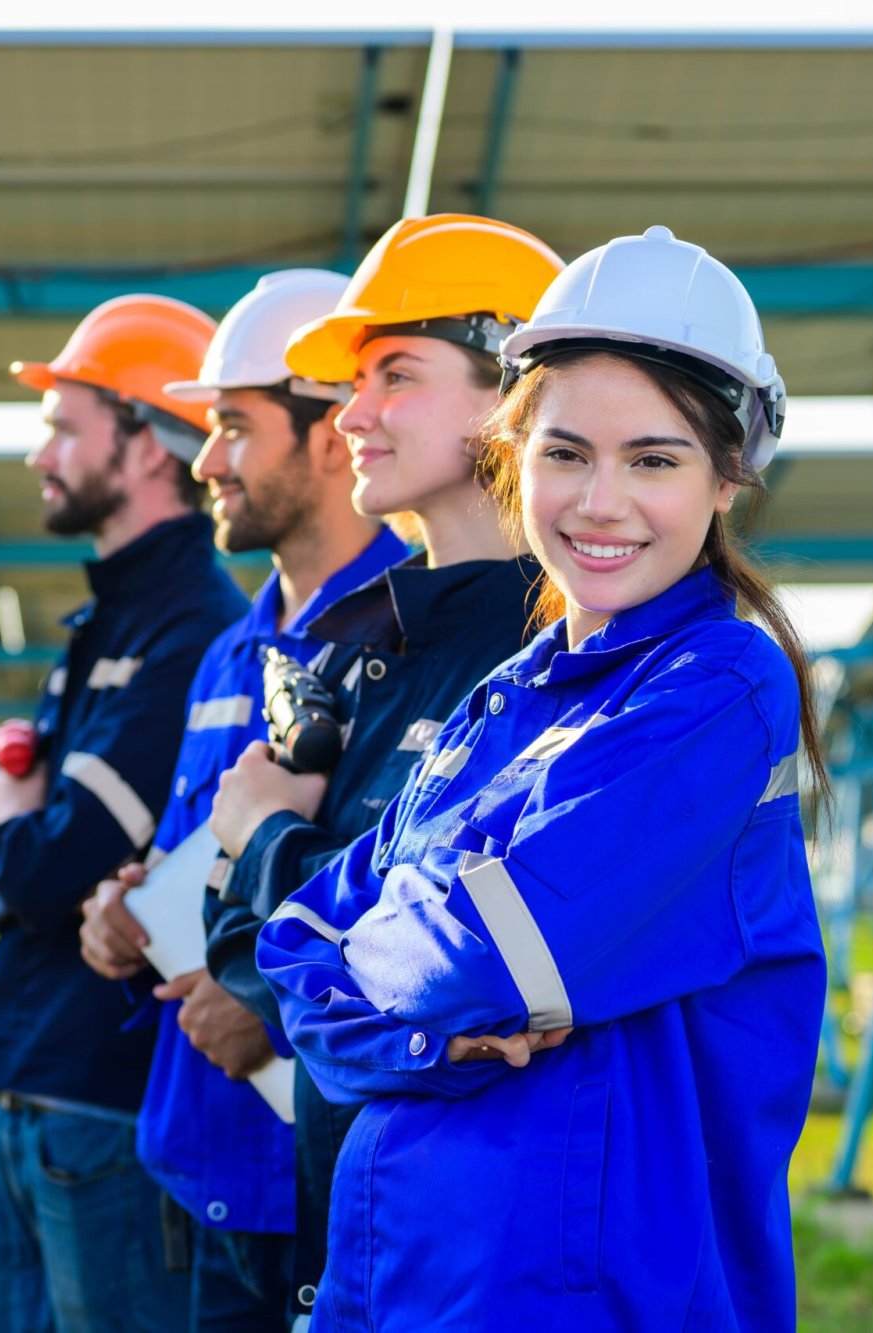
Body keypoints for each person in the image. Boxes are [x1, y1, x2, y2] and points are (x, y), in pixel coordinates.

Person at [256, 226, 830, 1330]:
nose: (598, 501)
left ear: (727, 477)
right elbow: (293, 954)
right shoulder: (502, 697)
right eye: (564, 453)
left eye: (652, 460)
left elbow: (497, 950)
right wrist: (413, 1008)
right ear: (514, 454)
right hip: (397, 1277)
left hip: (588, 1294)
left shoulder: (717, 685)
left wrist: (394, 950)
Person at [197, 214, 563, 1326]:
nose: (350, 416)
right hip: (350, 1237)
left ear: (511, 393)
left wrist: (268, 839)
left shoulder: (560, 656)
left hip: (481, 1256)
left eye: (393, 377)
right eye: (353, 386)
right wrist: (305, 892)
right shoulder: (359, 646)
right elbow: (251, 961)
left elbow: (453, 973)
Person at [75, 269, 412, 1331]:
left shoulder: (418, 633)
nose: (205, 459)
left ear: (328, 431)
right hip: (199, 1149)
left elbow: (413, 900)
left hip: (318, 1167)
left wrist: (263, 1008)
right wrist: (136, 913)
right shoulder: (229, 648)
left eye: (230, 426)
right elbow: (206, 865)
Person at [0, 294, 249, 1333]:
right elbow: (8, 860)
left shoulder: (196, 631)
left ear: (147, 445)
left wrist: (6, 840)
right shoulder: (105, 627)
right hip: (29, 1089)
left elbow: (45, 864)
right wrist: (9, 842)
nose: (40, 455)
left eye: (64, 426)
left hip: (108, 1104)